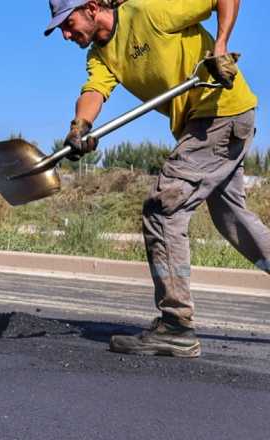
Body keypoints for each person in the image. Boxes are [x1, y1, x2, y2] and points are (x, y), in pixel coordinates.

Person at [46, 0, 268, 357]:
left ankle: (176, 325)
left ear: (90, 8)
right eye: (61, 30)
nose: (67, 35)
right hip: (210, 120)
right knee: (233, 219)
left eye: (69, 24)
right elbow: (94, 91)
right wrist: (80, 127)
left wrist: (221, 44)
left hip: (219, 112)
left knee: (162, 209)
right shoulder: (101, 54)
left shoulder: (148, 10)